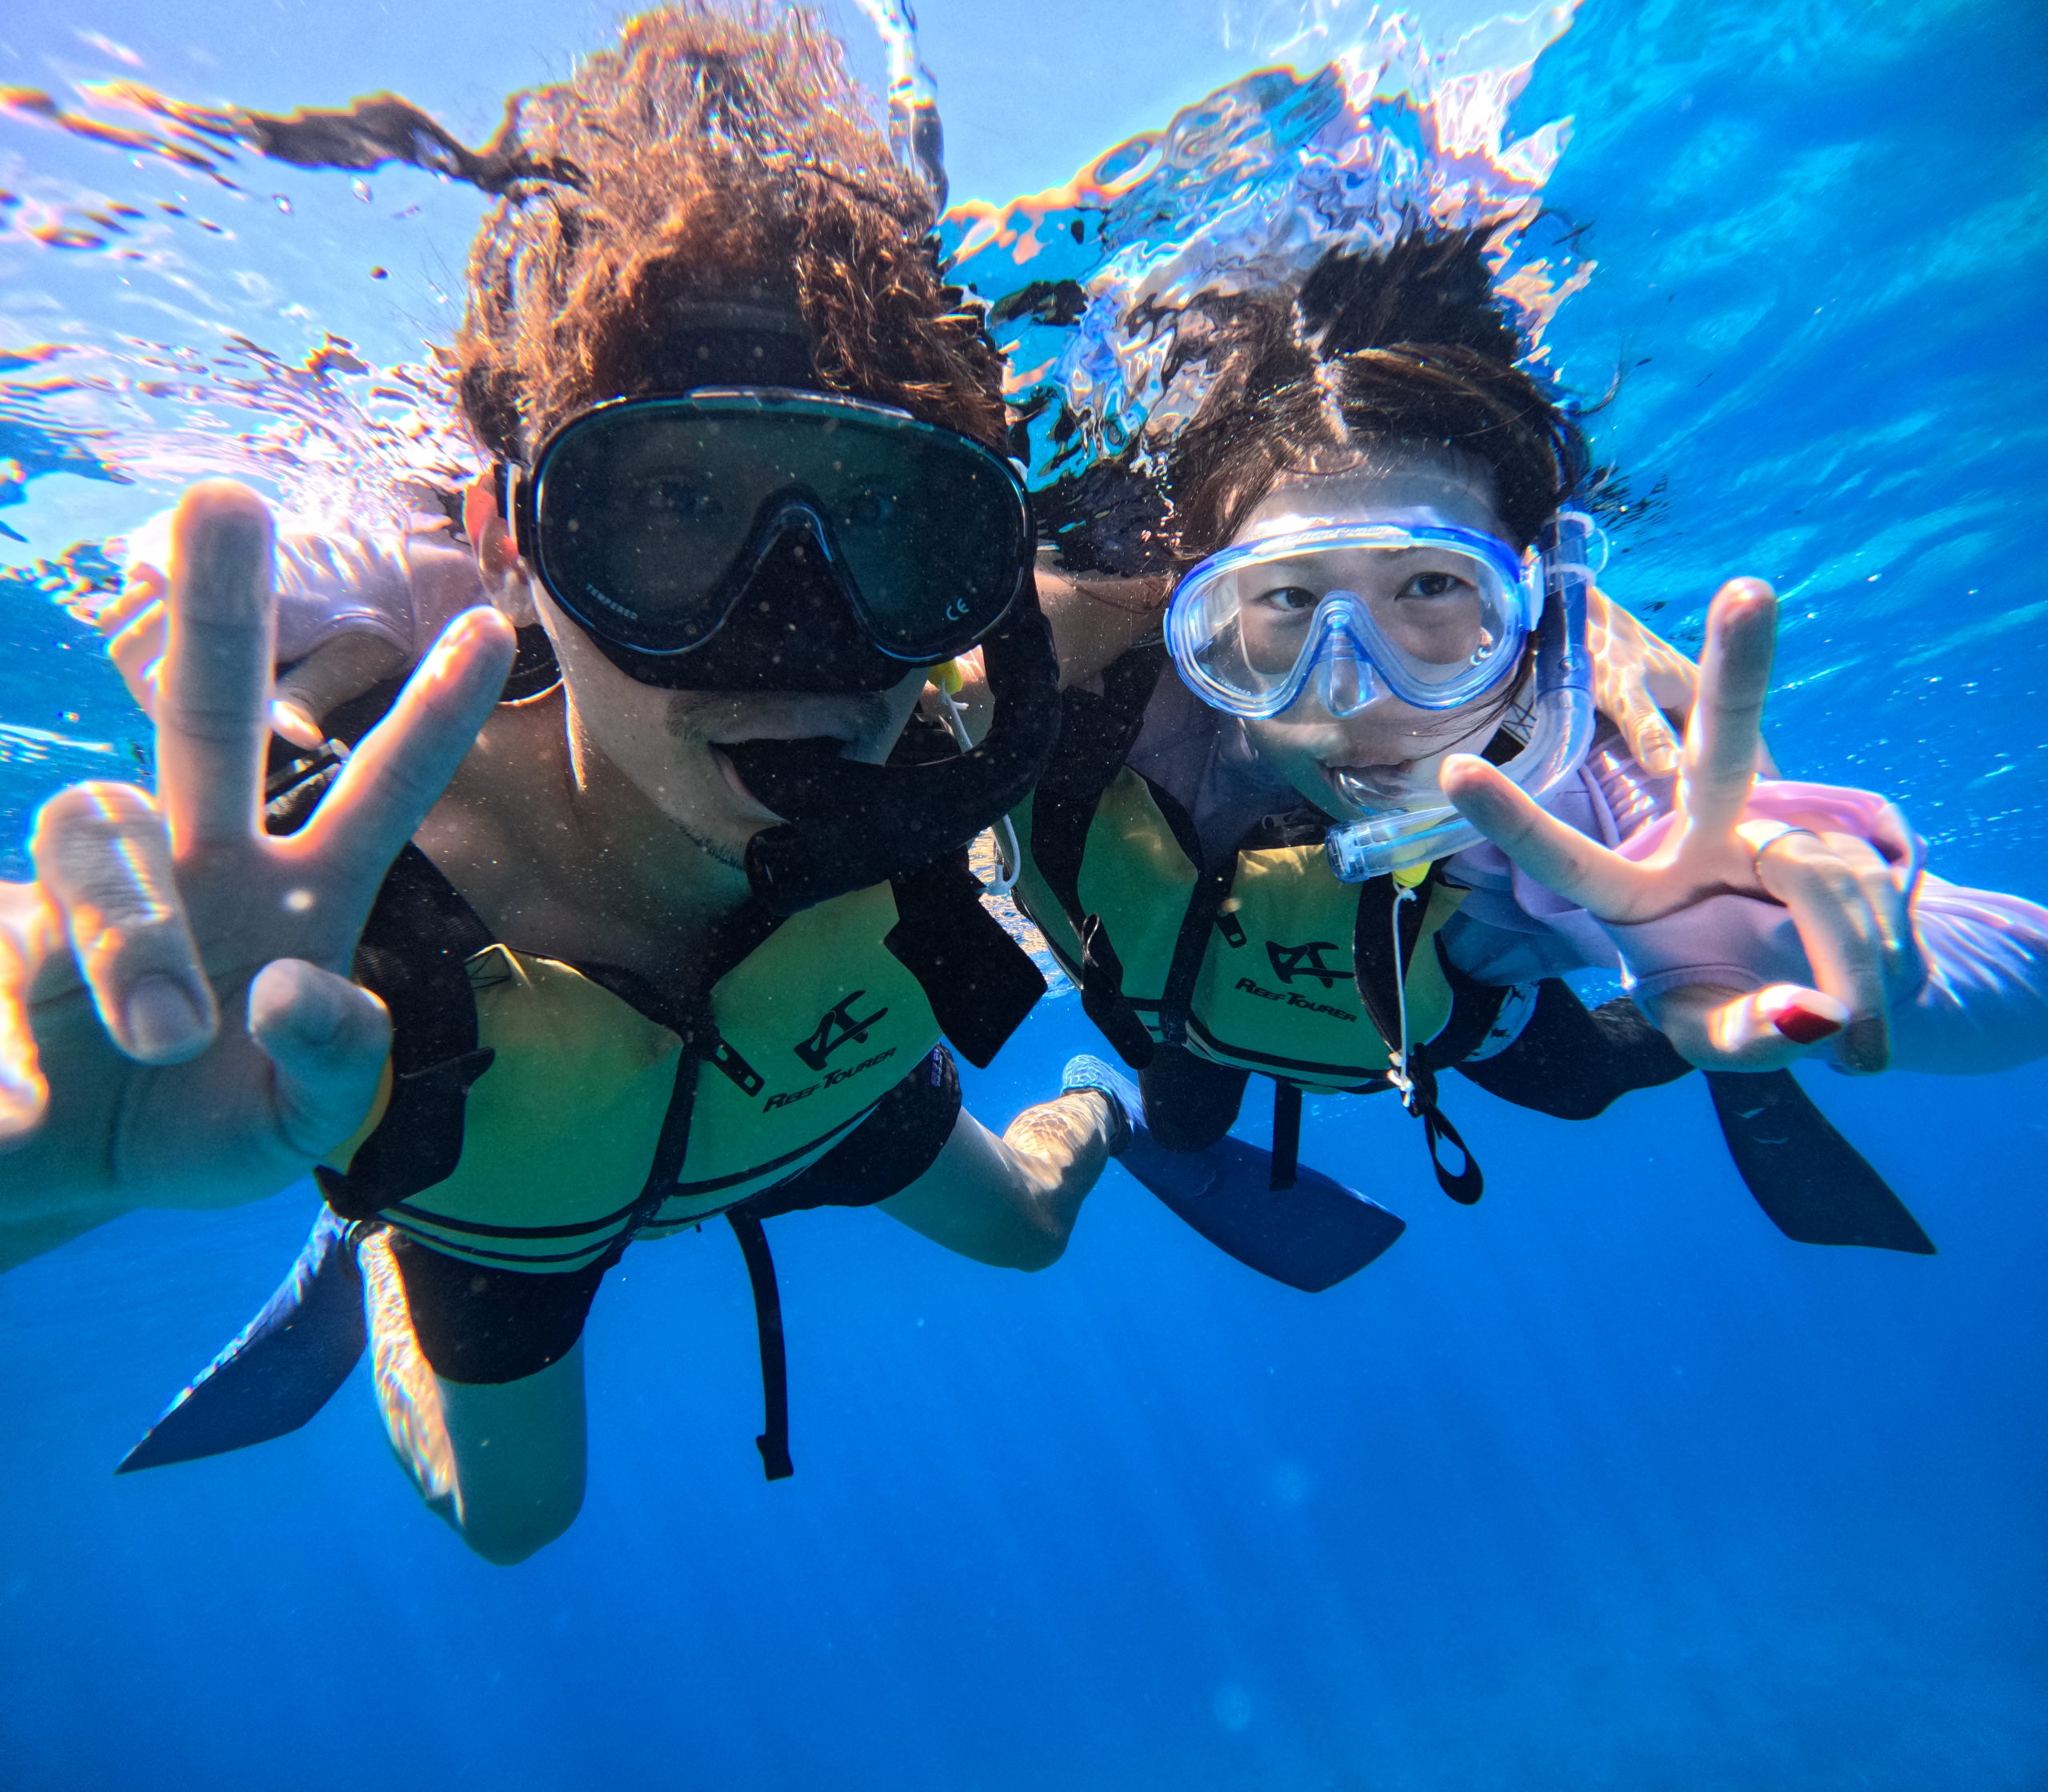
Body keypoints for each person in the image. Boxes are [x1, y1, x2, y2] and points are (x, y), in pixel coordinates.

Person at [0, 4, 1130, 1564]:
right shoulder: (355, 875)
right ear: (513, 537)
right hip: (496, 1178)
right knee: (518, 1517)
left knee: (1022, 1229)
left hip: (823, 1088)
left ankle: (1100, 1109)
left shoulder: (971, 728)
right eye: (668, 508)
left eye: (883, 524)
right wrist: (82, 1150)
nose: (789, 641)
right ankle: (380, 1248)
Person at [981, 230, 2048, 1265]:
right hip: (1183, 1006)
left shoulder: (1567, 794)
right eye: (1291, 599)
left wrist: (1789, 951)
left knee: (1579, 1088)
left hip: (1449, 1013)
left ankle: (1698, 1034)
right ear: (1198, 612)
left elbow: (2025, 973)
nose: (1356, 694)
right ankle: (1123, 1109)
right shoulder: (1096, 711)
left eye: (1433, 589)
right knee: (1184, 1121)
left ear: (1529, 617)